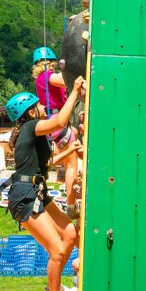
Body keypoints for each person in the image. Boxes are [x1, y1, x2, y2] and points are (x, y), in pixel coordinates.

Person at [6, 77, 85, 291]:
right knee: (58, 250)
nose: (44, 109)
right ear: (30, 112)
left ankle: (55, 286)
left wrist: (71, 150)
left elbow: (47, 165)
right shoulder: (30, 127)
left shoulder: (32, 136)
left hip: (37, 190)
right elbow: (61, 121)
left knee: (71, 233)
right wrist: (73, 91)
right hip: (25, 196)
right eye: (39, 106)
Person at [32, 46, 82, 209]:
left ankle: (66, 186)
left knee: (73, 134)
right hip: (57, 120)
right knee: (72, 164)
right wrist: (76, 72)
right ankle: (71, 205)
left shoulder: (39, 80)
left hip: (53, 124)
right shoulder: (47, 76)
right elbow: (63, 81)